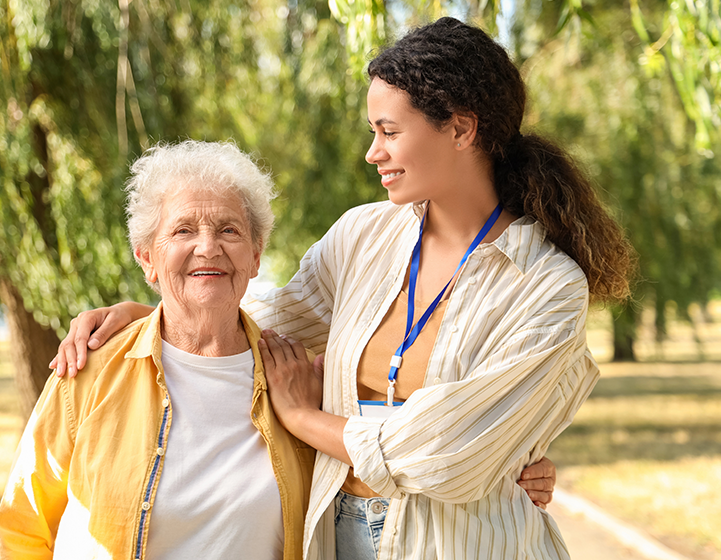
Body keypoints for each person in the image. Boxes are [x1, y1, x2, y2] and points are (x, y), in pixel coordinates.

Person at [50, 17, 634, 559]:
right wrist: (157, 316)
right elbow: (264, 331)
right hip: (336, 537)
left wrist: (304, 419)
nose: (371, 151)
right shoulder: (364, 234)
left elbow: (450, 456)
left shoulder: (547, 285)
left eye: (389, 131)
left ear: (460, 128)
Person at [0, 140, 317, 560]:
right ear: (147, 259)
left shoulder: (295, 379)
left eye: (228, 229)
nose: (208, 247)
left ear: (255, 256)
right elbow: (21, 529)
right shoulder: (89, 370)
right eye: (183, 230)